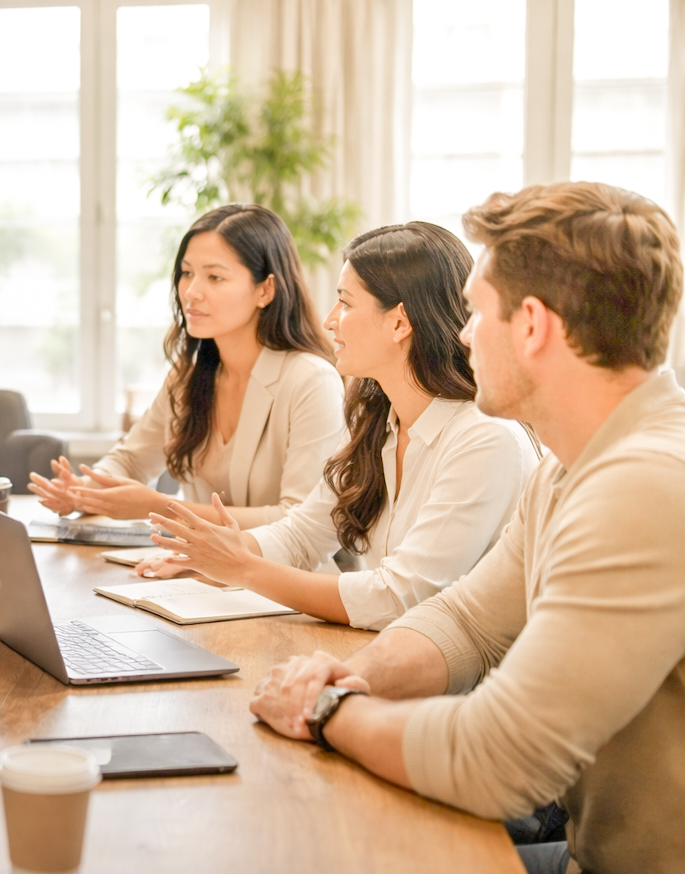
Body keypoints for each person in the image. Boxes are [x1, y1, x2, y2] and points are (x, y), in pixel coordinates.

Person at [248, 182, 685, 874]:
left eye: (475, 312)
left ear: (534, 327)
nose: (461, 333)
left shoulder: (644, 486)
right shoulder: (572, 465)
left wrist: (329, 711)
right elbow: (467, 622)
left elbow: (499, 757)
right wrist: (357, 675)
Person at [140, 222, 540, 630]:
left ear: (399, 323)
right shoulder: (377, 419)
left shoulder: (485, 439)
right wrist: (217, 553)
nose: (330, 321)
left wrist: (243, 568)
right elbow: (304, 534)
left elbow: (399, 598)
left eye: (345, 304)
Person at [29, 204, 345, 528]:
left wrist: (165, 508)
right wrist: (82, 492)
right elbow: (130, 460)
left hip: (289, 576)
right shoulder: (188, 377)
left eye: (215, 277)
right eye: (187, 273)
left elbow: (299, 520)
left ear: (265, 289)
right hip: (201, 575)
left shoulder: (311, 380)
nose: (191, 292)